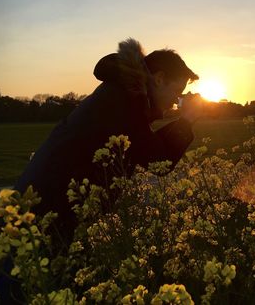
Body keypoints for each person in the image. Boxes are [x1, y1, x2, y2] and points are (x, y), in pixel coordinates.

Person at [15, 38, 203, 241]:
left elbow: (148, 146)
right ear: (159, 79)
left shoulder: (123, 93)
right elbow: (158, 160)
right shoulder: (124, 101)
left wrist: (183, 122)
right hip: (49, 209)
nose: (176, 100)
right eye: (177, 92)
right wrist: (187, 119)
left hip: (45, 202)